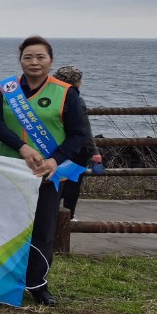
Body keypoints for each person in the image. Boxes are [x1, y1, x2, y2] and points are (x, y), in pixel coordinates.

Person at [0, 36, 88, 307]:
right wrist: (20, 146)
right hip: (11, 168)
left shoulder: (66, 92)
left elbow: (77, 134)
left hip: (48, 173)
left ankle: (37, 284)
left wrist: (55, 160)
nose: (34, 62)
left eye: (40, 57)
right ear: (20, 60)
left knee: (43, 229)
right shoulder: (6, 88)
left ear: (50, 61)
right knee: (6, 226)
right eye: (28, 57)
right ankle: (1, 281)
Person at [52, 65, 102, 218]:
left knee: (55, 182)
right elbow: (84, 129)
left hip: (54, 147)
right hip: (77, 149)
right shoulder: (77, 101)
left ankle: (49, 213)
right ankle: (69, 216)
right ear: (77, 82)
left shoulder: (52, 98)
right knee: (72, 185)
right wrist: (94, 152)